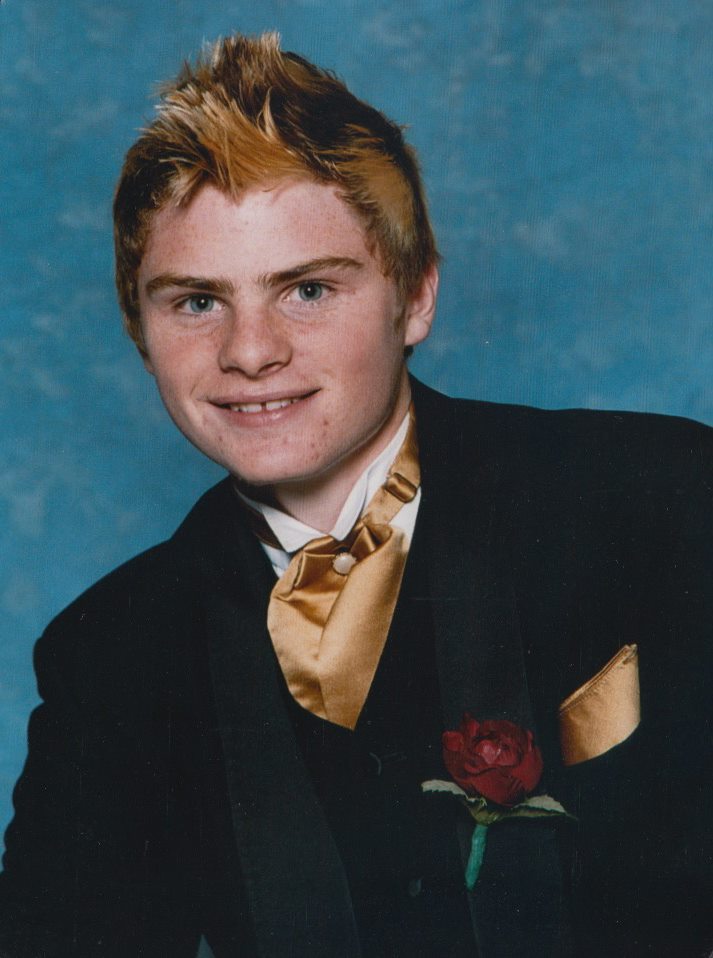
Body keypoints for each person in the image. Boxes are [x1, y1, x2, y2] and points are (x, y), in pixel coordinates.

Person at [0, 31, 711, 958]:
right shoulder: (110, 656)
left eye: (306, 290)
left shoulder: (661, 493)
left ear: (415, 298)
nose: (250, 352)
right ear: (140, 331)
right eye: (196, 302)